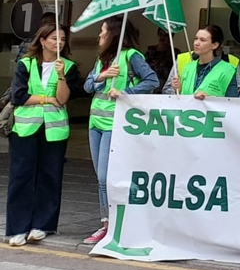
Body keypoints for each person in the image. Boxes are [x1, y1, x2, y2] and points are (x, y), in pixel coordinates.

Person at [82, 17, 161, 245]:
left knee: (107, 177)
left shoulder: (131, 56)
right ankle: (106, 223)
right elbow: (87, 86)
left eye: (102, 31)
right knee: (100, 177)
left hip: (114, 123)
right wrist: (101, 76)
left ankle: (113, 224)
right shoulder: (101, 59)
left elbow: (152, 80)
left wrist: (126, 91)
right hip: (95, 121)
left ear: (113, 34)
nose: (99, 35)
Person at [6, 23, 86, 246]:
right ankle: (17, 228)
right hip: (25, 128)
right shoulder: (26, 64)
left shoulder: (68, 67)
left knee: (50, 175)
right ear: (42, 41)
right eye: (53, 38)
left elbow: (62, 99)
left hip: (54, 129)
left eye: (62, 39)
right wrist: (45, 99)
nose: (59, 42)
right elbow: (19, 96)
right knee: (21, 176)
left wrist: (60, 76)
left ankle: (43, 224)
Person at [172, 25, 240, 99]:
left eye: (202, 40)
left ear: (215, 45)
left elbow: (233, 102)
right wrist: (178, 89)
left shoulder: (227, 70)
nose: (196, 43)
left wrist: (209, 98)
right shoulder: (188, 67)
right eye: (196, 39)